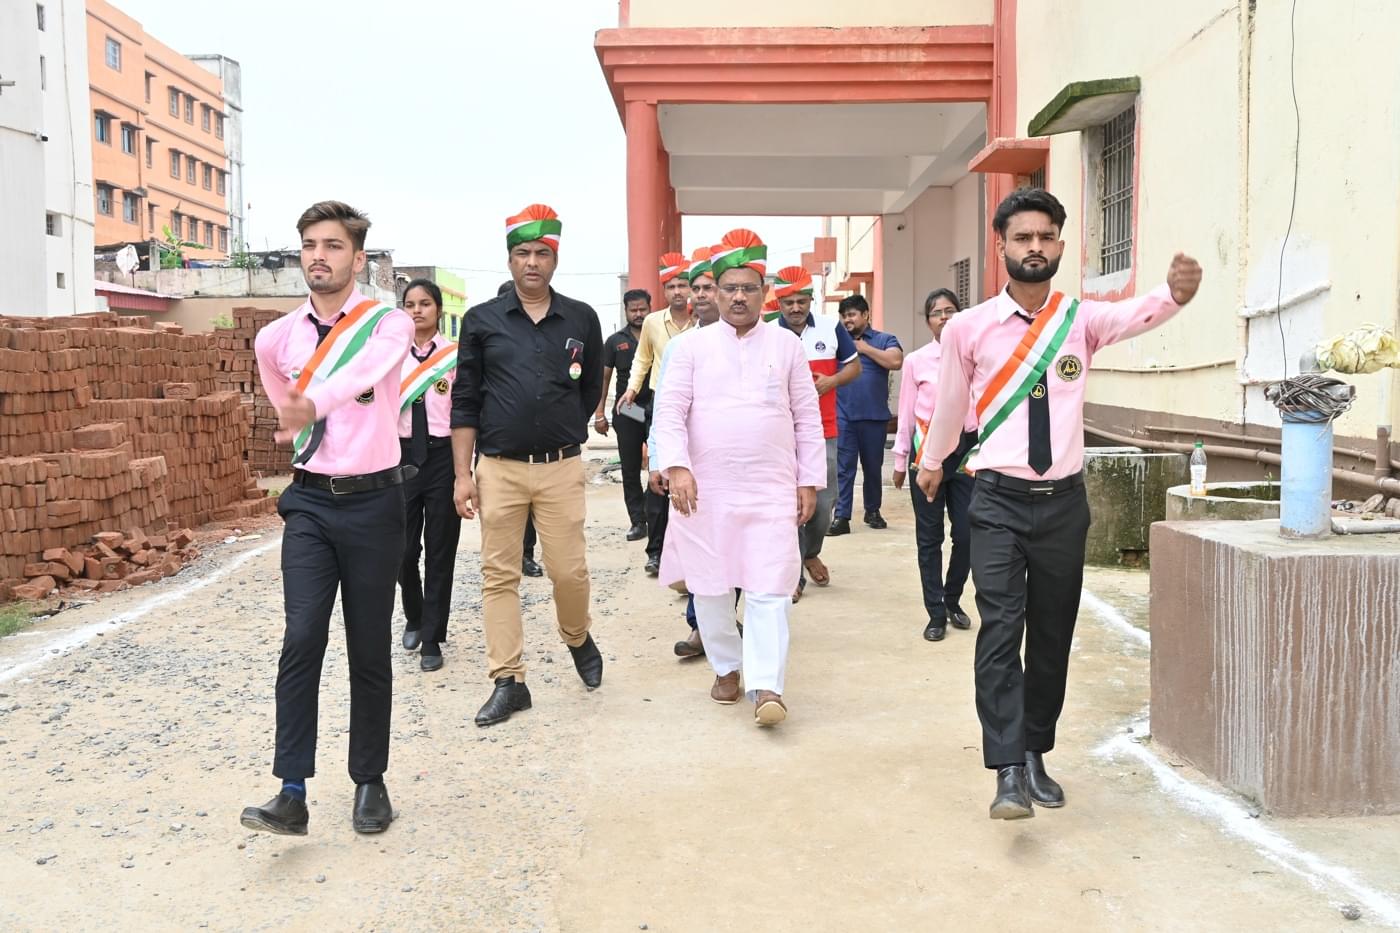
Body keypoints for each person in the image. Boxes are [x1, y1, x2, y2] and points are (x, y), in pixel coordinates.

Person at [917, 187, 1202, 819]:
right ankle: (1007, 770)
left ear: (1061, 246)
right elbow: (952, 405)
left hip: (1063, 505)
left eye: (1045, 237)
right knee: (1000, 630)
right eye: (1023, 238)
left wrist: (1173, 296)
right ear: (1002, 248)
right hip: (995, 500)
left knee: (1050, 635)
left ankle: (1036, 750)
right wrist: (932, 462)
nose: (1035, 247)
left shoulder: (1080, 320)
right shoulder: (967, 328)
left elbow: (1134, 315)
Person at [241, 200, 413, 836]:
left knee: (369, 645)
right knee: (302, 638)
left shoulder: (387, 325)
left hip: (375, 502)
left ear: (357, 258)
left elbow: (365, 374)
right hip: (310, 501)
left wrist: (314, 400)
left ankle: (370, 780)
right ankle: (291, 789)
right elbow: (276, 397)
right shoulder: (274, 339)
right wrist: (302, 417)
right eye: (310, 244)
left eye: (333, 245)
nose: (319, 255)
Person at [653, 229, 825, 726]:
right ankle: (727, 666)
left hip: (773, 486)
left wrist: (808, 478)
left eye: (749, 287)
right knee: (710, 586)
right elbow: (670, 412)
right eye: (729, 287)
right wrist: (677, 467)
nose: (738, 296)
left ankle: (767, 686)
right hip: (704, 489)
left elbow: (806, 416)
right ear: (714, 290)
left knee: (771, 584)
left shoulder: (788, 345)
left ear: (764, 292)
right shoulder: (690, 348)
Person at [452, 204, 605, 727]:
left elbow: (589, 390)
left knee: (569, 572)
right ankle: (508, 680)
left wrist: (557, 427)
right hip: (498, 469)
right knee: (499, 575)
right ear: (510, 259)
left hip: (561, 468)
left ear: (555, 259)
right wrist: (461, 475)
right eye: (523, 253)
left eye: (542, 253)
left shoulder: (582, 317)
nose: (532, 263)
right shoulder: (481, 321)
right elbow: (465, 401)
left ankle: (577, 637)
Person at [645, 245, 718, 659]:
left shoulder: (760, 343)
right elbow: (665, 411)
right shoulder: (679, 348)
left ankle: (722, 620)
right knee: (698, 549)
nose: (704, 294)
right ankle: (700, 627)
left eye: (712, 287)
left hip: (740, 470)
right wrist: (659, 460)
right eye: (699, 287)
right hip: (690, 467)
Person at [892, 289, 977, 643]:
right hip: (925, 452)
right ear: (927, 321)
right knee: (929, 538)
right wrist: (900, 459)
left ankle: (953, 597)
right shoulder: (916, 360)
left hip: (968, 452)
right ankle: (935, 612)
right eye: (936, 313)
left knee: (968, 533)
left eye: (950, 311)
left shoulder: (975, 355)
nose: (944, 317)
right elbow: (907, 412)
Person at [771, 266, 860, 600]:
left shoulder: (830, 326)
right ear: (778, 304)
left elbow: (854, 366)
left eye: (802, 301)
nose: (796, 308)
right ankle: (792, 573)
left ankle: (810, 551)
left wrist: (832, 381)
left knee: (822, 504)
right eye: (789, 302)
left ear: (812, 300)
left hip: (824, 430)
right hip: (779, 435)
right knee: (787, 505)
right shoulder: (766, 333)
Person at [397, 278, 461, 671]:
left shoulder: (455, 357)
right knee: (402, 550)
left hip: (442, 457)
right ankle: (414, 616)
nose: (417, 310)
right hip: (399, 457)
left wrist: (463, 468)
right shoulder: (389, 355)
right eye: (409, 304)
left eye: (424, 303)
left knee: (441, 550)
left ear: (438, 309)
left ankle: (433, 638)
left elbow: (465, 412)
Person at [619, 253, 693, 576]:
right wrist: (632, 391)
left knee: (690, 475)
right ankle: (655, 550)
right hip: (661, 405)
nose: (678, 291)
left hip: (698, 408)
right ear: (664, 290)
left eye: (683, 284)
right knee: (658, 476)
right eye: (671, 285)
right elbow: (642, 360)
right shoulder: (652, 323)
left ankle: (688, 554)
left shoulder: (704, 322)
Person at [829, 294, 903, 535]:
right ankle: (842, 517)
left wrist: (865, 349)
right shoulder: (837, 341)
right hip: (844, 416)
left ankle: (873, 511)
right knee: (844, 468)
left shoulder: (884, 339)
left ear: (865, 315)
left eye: (851, 315)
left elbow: (896, 360)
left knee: (872, 468)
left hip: (874, 417)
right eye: (844, 316)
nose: (847, 320)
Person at [496, 280, 545, 578]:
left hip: (536, 446)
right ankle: (505, 558)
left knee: (529, 508)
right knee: (499, 510)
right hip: (497, 447)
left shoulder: (539, 344)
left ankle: (526, 555)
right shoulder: (487, 340)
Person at [593, 289, 652, 542]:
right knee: (630, 469)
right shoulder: (615, 341)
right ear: (626, 310)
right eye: (633, 310)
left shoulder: (658, 333)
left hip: (657, 408)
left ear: (650, 308)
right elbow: (603, 379)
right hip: (628, 410)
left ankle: (655, 512)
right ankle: (638, 521)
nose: (638, 314)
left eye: (643, 309)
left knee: (661, 465)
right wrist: (599, 414)